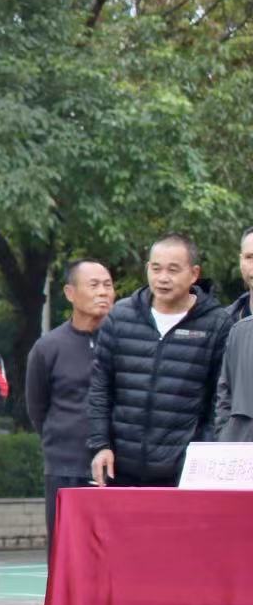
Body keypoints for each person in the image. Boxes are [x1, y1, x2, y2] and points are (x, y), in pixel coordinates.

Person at [88, 233, 233, 488]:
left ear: (194, 273)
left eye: (173, 270)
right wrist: (100, 444)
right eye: (156, 269)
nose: (163, 278)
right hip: (121, 468)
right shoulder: (120, 316)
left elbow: (219, 399)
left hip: (184, 473)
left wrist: (203, 454)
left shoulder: (217, 323)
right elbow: (100, 387)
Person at [26, 260, 114, 541]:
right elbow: (37, 407)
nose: (103, 292)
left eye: (107, 285)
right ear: (70, 293)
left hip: (116, 466)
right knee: (66, 550)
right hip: (65, 466)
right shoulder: (48, 347)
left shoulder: (123, 343)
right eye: (94, 285)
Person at [216, 230, 253, 441]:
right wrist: (224, 435)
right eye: (249, 257)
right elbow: (222, 396)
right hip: (239, 448)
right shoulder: (225, 323)